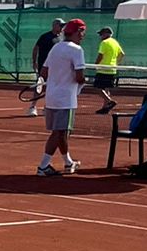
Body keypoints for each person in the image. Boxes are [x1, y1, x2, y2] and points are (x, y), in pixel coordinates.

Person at [37, 16, 87, 175]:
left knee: (61, 132)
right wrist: (85, 81)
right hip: (66, 99)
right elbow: (79, 77)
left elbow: (44, 72)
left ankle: (68, 162)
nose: (83, 35)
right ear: (77, 32)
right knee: (59, 133)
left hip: (52, 97)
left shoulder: (56, 47)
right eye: (82, 32)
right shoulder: (77, 50)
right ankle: (43, 166)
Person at [28, 19, 65, 117]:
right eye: (60, 25)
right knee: (39, 87)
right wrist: (34, 61)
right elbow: (36, 48)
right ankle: (32, 107)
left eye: (63, 26)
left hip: (56, 68)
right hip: (43, 66)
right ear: (54, 26)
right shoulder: (45, 37)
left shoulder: (62, 38)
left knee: (52, 88)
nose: (62, 28)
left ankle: (46, 107)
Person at [91, 25, 123, 114]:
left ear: (106, 34)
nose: (100, 36)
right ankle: (105, 108)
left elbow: (100, 55)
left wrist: (96, 64)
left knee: (98, 88)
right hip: (112, 69)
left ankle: (109, 101)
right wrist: (116, 63)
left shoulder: (104, 43)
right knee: (106, 88)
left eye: (101, 34)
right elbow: (122, 54)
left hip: (103, 69)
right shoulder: (115, 42)